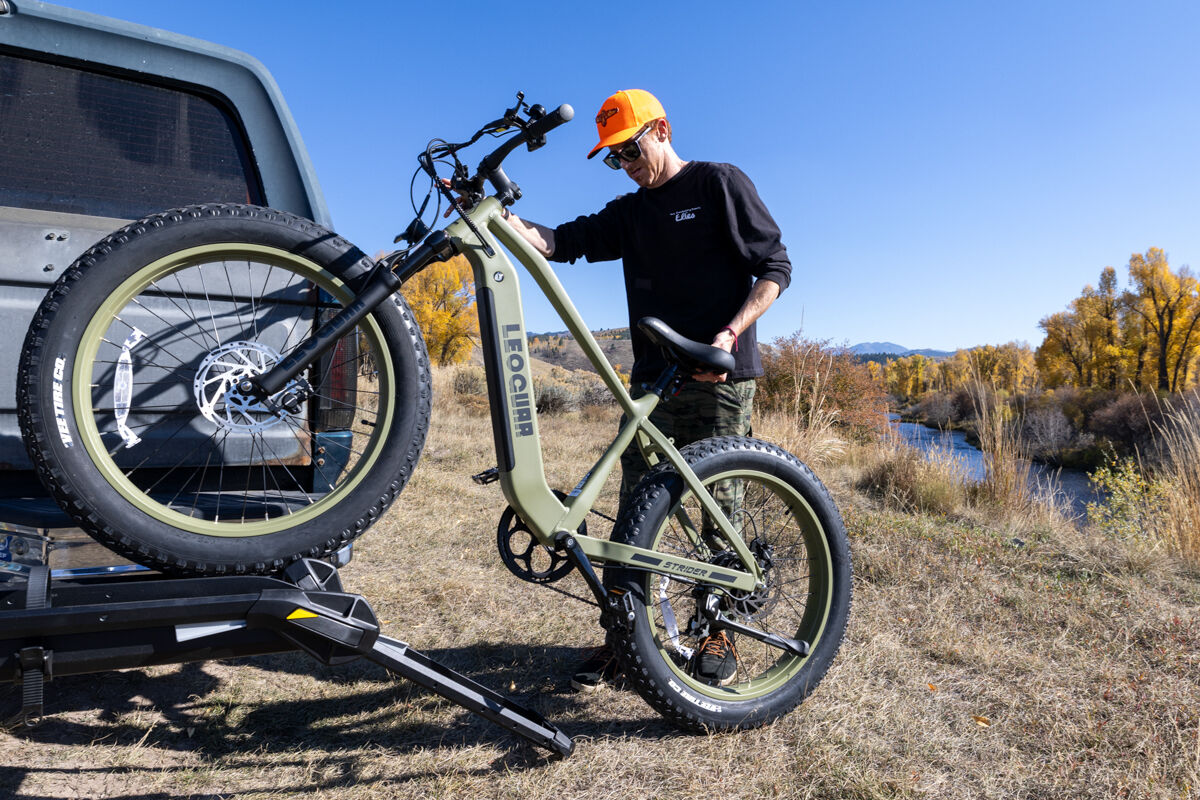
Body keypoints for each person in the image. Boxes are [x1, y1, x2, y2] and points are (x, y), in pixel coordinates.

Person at [500, 89, 792, 691]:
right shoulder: (632, 213)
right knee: (636, 508)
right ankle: (625, 641)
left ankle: (719, 631)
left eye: (629, 149)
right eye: (613, 158)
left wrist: (732, 333)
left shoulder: (718, 184)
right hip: (652, 383)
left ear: (660, 129)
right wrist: (497, 216)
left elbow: (775, 268)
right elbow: (560, 242)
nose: (626, 164)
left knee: (720, 509)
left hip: (718, 377)